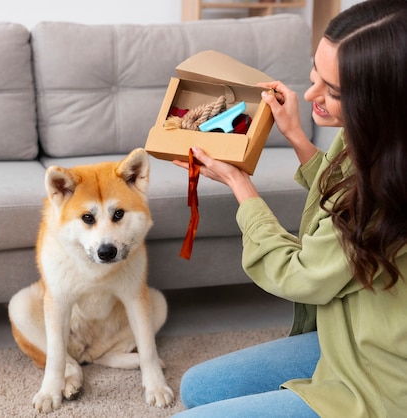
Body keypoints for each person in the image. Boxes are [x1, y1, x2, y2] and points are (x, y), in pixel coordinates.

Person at [172, 1, 407, 416]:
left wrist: (239, 184)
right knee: (199, 387)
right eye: (315, 73)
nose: (312, 93)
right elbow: (340, 196)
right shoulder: (374, 139)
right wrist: (298, 136)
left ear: (382, 101)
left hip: (380, 382)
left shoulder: (388, 188)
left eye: (332, 91)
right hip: (346, 336)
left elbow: (298, 274)